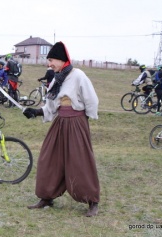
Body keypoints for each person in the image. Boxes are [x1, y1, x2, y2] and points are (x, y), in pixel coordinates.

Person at [22, 41, 100, 217]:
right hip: (60, 122)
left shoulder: (78, 75)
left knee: (80, 162)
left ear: (61, 59)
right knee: (48, 158)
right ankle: (46, 197)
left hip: (77, 122)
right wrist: (35, 112)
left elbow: (91, 100)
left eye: (51, 60)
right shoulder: (56, 79)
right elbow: (50, 106)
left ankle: (92, 200)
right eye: (48, 60)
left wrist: (84, 120)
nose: (49, 64)